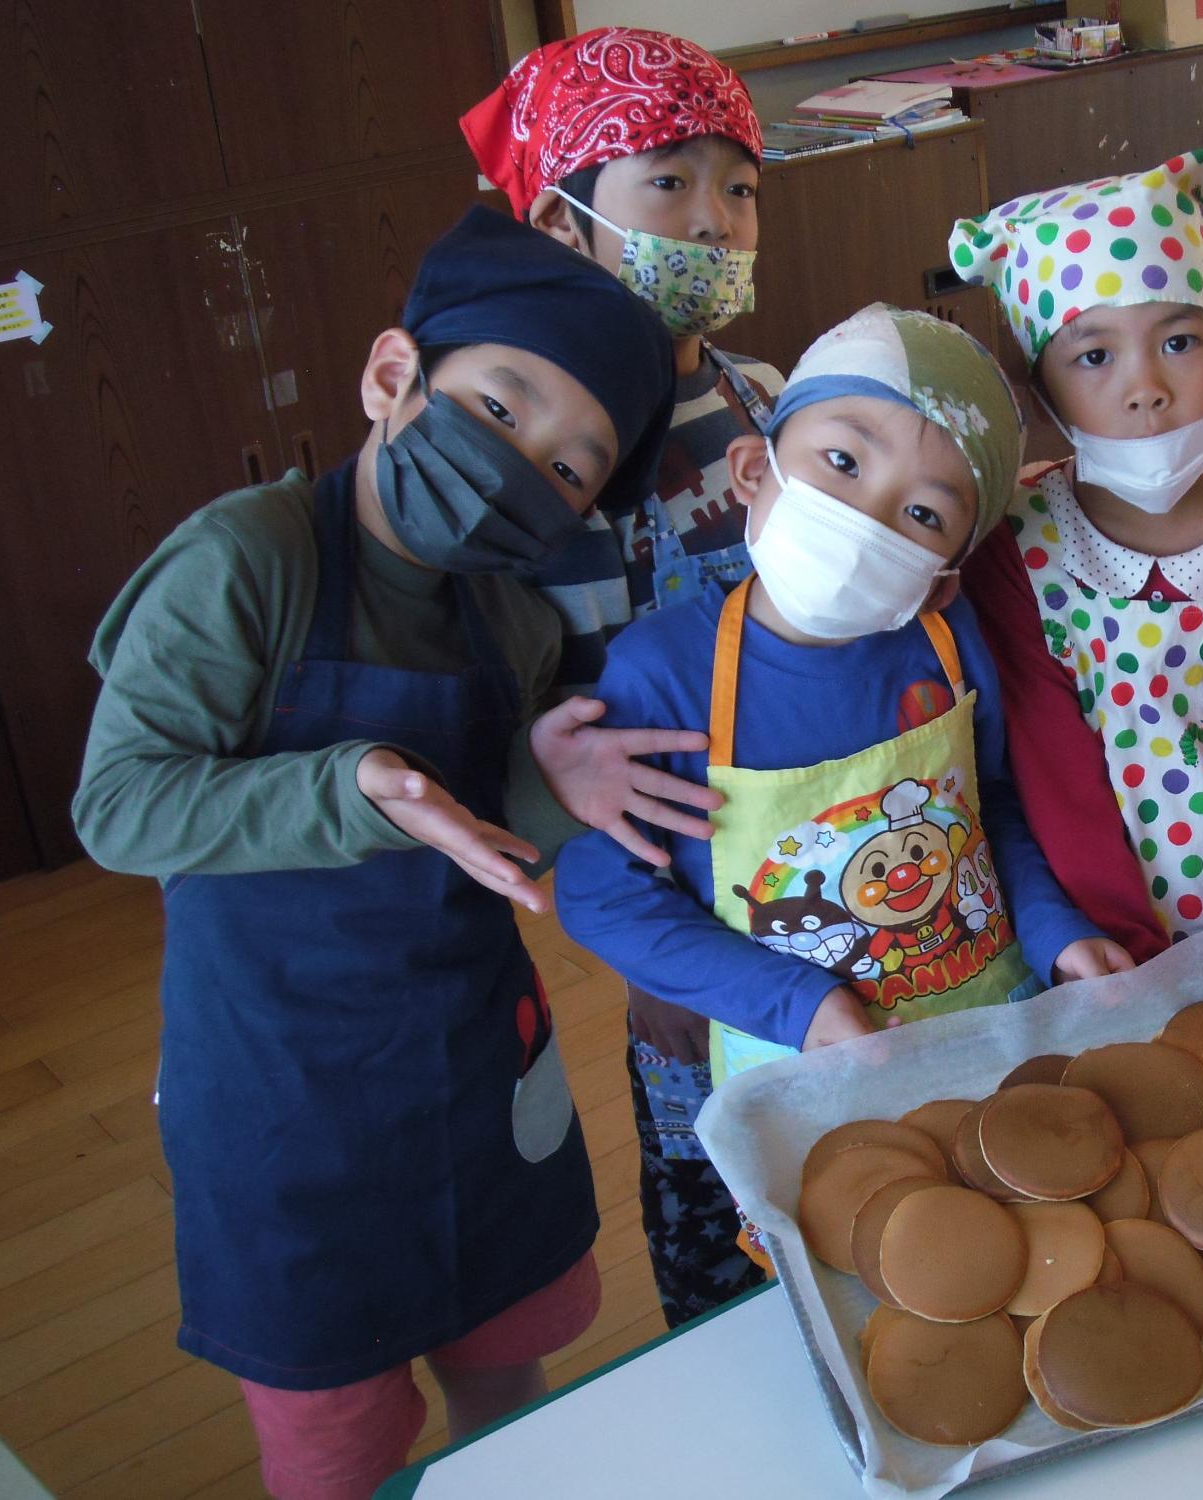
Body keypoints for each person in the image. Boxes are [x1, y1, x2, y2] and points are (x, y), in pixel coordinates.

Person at [70, 208, 680, 1498]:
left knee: (508, 1385)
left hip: (472, 1063)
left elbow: (483, 829)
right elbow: (121, 805)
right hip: (281, 1096)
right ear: (393, 375)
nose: (528, 470)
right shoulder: (251, 561)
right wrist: (353, 783)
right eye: (504, 408)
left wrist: (547, 782)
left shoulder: (509, 618)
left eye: (572, 468)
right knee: (333, 1434)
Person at [555, 302, 1132, 1093]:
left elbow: (987, 809)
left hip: (993, 1032)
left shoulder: (946, 639)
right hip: (801, 1069)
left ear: (942, 580)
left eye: (923, 513)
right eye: (844, 462)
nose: (866, 515)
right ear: (755, 471)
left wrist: (1054, 930)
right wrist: (795, 1001)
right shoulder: (662, 673)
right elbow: (602, 896)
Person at [463, 24, 783, 1324]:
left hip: (830, 844)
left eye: (742, 187)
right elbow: (499, 717)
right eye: (669, 182)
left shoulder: (777, 405)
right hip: (662, 906)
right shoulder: (525, 468)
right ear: (561, 220)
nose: (714, 222)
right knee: (720, 1179)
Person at [948, 147, 1203, 977]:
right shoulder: (1018, 554)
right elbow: (1051, 780)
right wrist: (1127, 965)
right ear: (1043, 396)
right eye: (1094, 357)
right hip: (1101, 959)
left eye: (1178, 340)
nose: (1144, 389)